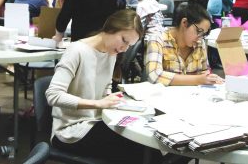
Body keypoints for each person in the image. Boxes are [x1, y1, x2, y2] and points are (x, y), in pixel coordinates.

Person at [46, 10, 161, 163]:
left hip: (96, 122)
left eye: (129, 45)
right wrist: (97, 103)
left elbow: (105, 87)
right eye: (124, 40)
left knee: (150, 145)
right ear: (110, 28)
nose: (124, 49)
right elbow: (53, 95)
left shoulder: (110, 53)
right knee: (142, 149)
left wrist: (111, 99)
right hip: (70, 130)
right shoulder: (77, 51)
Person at [145, 0, 223, 86]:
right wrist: (198, 80)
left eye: (204, 34)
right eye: (199, 31)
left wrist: (210, 78)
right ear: (184, 23)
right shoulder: (158, 40)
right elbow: (155, 75)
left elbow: (204, 72)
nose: (200, 37)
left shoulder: (199, 43)